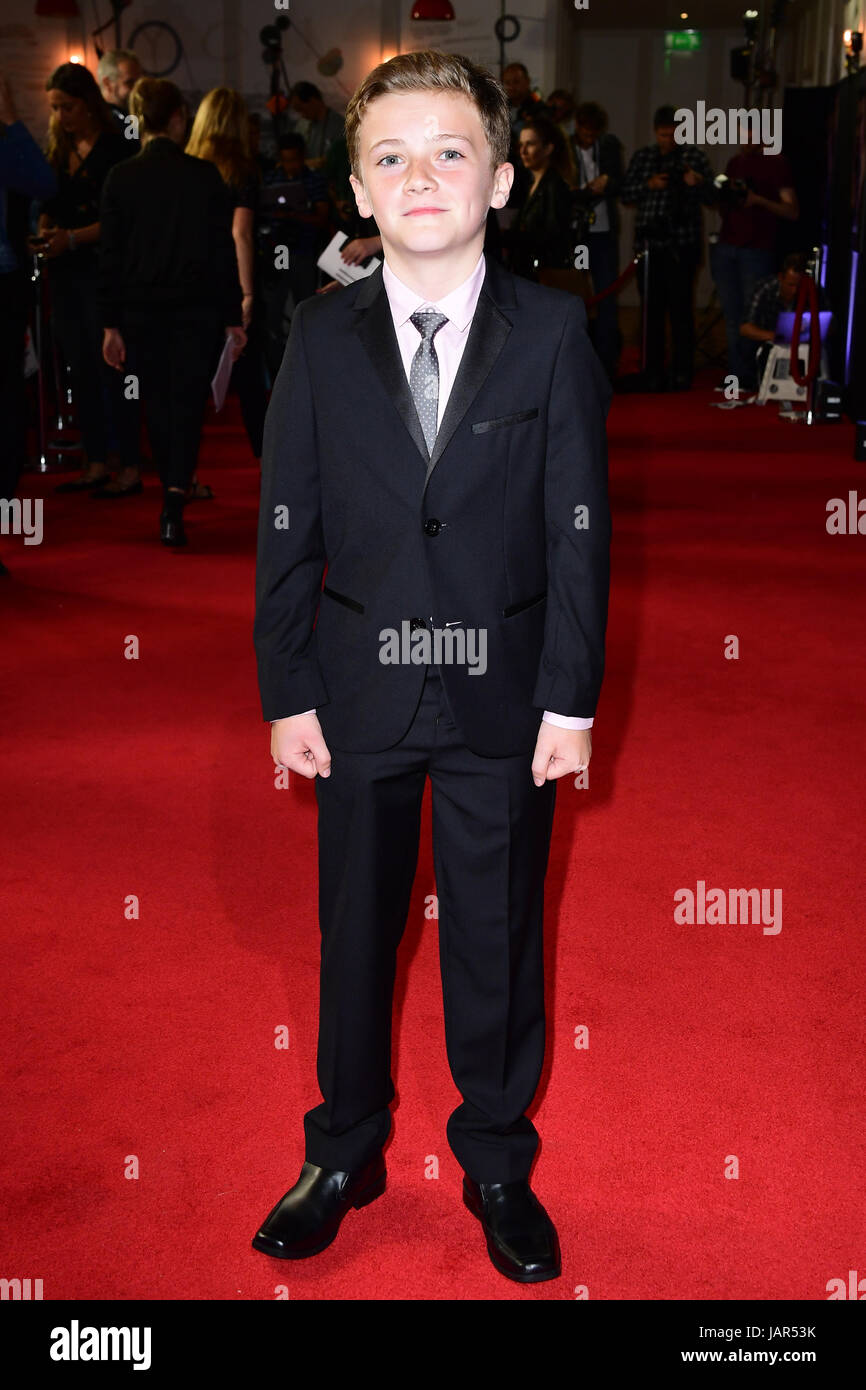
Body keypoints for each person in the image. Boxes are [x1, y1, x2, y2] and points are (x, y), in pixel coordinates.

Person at [252, 48, 611, 1283]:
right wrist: (286, 686)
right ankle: (341, 1148)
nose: (421, 174)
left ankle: (496, 1157)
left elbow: (578, 530)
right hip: (355, 690)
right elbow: (286, 520)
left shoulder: (553, 333)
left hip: (500, 698)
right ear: (355, 188)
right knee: (352, 928)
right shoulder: (313, 335)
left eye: (449, 152)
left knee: (497, 929)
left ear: (501, 182)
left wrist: (569, 699)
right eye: (390, 155)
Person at [97, 78, 246, 546]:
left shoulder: (120, 178)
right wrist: (233, 318)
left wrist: (109, 324)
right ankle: (176, 494)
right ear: (179, 118)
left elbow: (110, 258)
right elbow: (223, 252)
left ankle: (171, 491)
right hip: (195, 312)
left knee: (157, 404)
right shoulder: (204, 177)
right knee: (186, 403)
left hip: (142, 313)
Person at [36, 63, 137, 493]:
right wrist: (44, 230)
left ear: (89, 104)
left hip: (103, 272)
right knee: (79, 367)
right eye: (55, 108)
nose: (61, 116)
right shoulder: (57, 150)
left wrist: (72, 238)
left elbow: (120, 220)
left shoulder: (116, 148)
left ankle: (128, 463)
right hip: (65, 273)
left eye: (68, 107)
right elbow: (47, 201)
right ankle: (96, 460)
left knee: (115, 368)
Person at [186, 87, 266, 464]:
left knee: (190, 384)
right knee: (251, 381)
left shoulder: (187, 166)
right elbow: (241, 233)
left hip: (192, 284)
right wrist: (246, 294)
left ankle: (185, 477)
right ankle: (268, 462)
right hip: (228, 281)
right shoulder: (241, 170)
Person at [0, 74, 57, 576]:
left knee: (7, 405)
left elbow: (44, 184)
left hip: (4, 286)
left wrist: (12, 118)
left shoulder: (7, 143)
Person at [620, 104, 717, 390]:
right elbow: (625, 194)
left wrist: (695, 182)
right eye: (663, 135)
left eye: (673, 134)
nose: (668, 140)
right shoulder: (644, 157)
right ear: (655, 132)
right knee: (651, 311)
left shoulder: (694, 157)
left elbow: (713, 196)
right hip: (649, 246)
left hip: (682, 245)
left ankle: (682, 370)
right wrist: (649, 184)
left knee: (680, 311)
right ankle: (652, 369)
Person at [710, 129, 798, 388]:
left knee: (754, 317)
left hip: (757, 249)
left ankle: (758, 375)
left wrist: (757, 200)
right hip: (727, 244)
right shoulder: (735, 163)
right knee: (732, 316)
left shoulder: (776, 163)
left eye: (750, 136)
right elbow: (725, 200)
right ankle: (737, 377)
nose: (745, 141)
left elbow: (792, 211)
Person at [571, 100, 625, 381]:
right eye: (584, 132)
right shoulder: (566, 147)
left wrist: (607, 183)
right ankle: (577, 364)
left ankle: (607, 365)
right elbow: (564, 192)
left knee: (607, 296)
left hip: (603, 231)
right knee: (574, 297)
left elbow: (622, 183)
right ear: (577, 127)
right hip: (575, 232)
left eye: (594, 134)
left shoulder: (610, 146)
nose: (589, 138)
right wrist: (587, 192)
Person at [739, 251, 826, 390]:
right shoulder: (765, 288)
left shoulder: (812, 290)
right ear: (781, 277)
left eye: (799, 285)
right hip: (768, 339)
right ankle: (749, 381)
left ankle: (818, 386)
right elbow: (745, 327)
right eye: (791, 285)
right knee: (746, 344)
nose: (795, 291)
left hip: (804, 342)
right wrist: (774, 336)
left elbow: (830, 323)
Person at [505, 114, 575, 282]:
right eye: (521, 145)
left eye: (530, 144)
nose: (522, 151)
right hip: (530, 273)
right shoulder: (531, 183)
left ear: (548, 148)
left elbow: (552, 235)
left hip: (546, 276)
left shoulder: (555, 186)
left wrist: (509, 237)